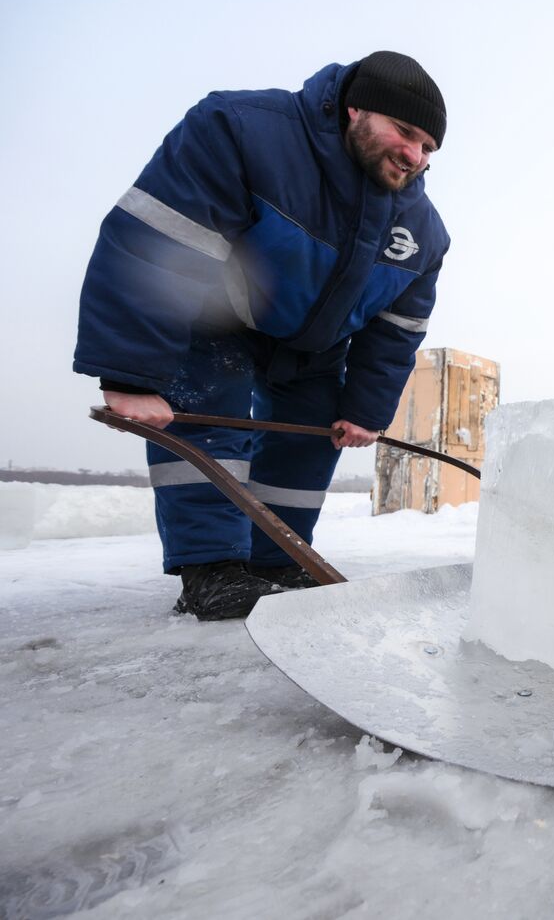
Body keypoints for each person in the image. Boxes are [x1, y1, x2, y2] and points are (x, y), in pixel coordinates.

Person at [73, 52, 450, 621]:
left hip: (313, 344)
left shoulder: (424, 233)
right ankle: (212, 568)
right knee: (212, 407)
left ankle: (276, 560)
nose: (415, 156)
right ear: (356, 109)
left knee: (310, 431)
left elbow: (395, 332)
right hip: (217, 316)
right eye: (405, 132)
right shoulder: (244, 131)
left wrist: (365, 409)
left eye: (428, 148)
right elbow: (158, 240)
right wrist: (130, 374)